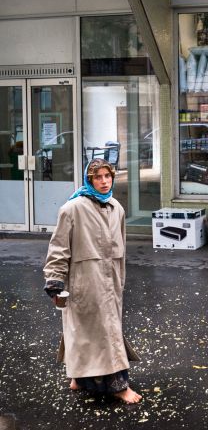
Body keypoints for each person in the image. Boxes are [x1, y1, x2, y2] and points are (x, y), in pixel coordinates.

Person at [43, 158, 142, 404]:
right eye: (97, 177)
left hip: (110, 281)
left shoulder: (116, 207)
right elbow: (58, 248)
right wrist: (55, 280)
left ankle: (79, 376)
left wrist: (119, 280)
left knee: (97, 331)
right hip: (85, 282)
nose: (104, 181)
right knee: (92, 332)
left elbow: (120, 246)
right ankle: (118, 386)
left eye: (107, 176)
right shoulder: (72, 208)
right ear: (89, 180)